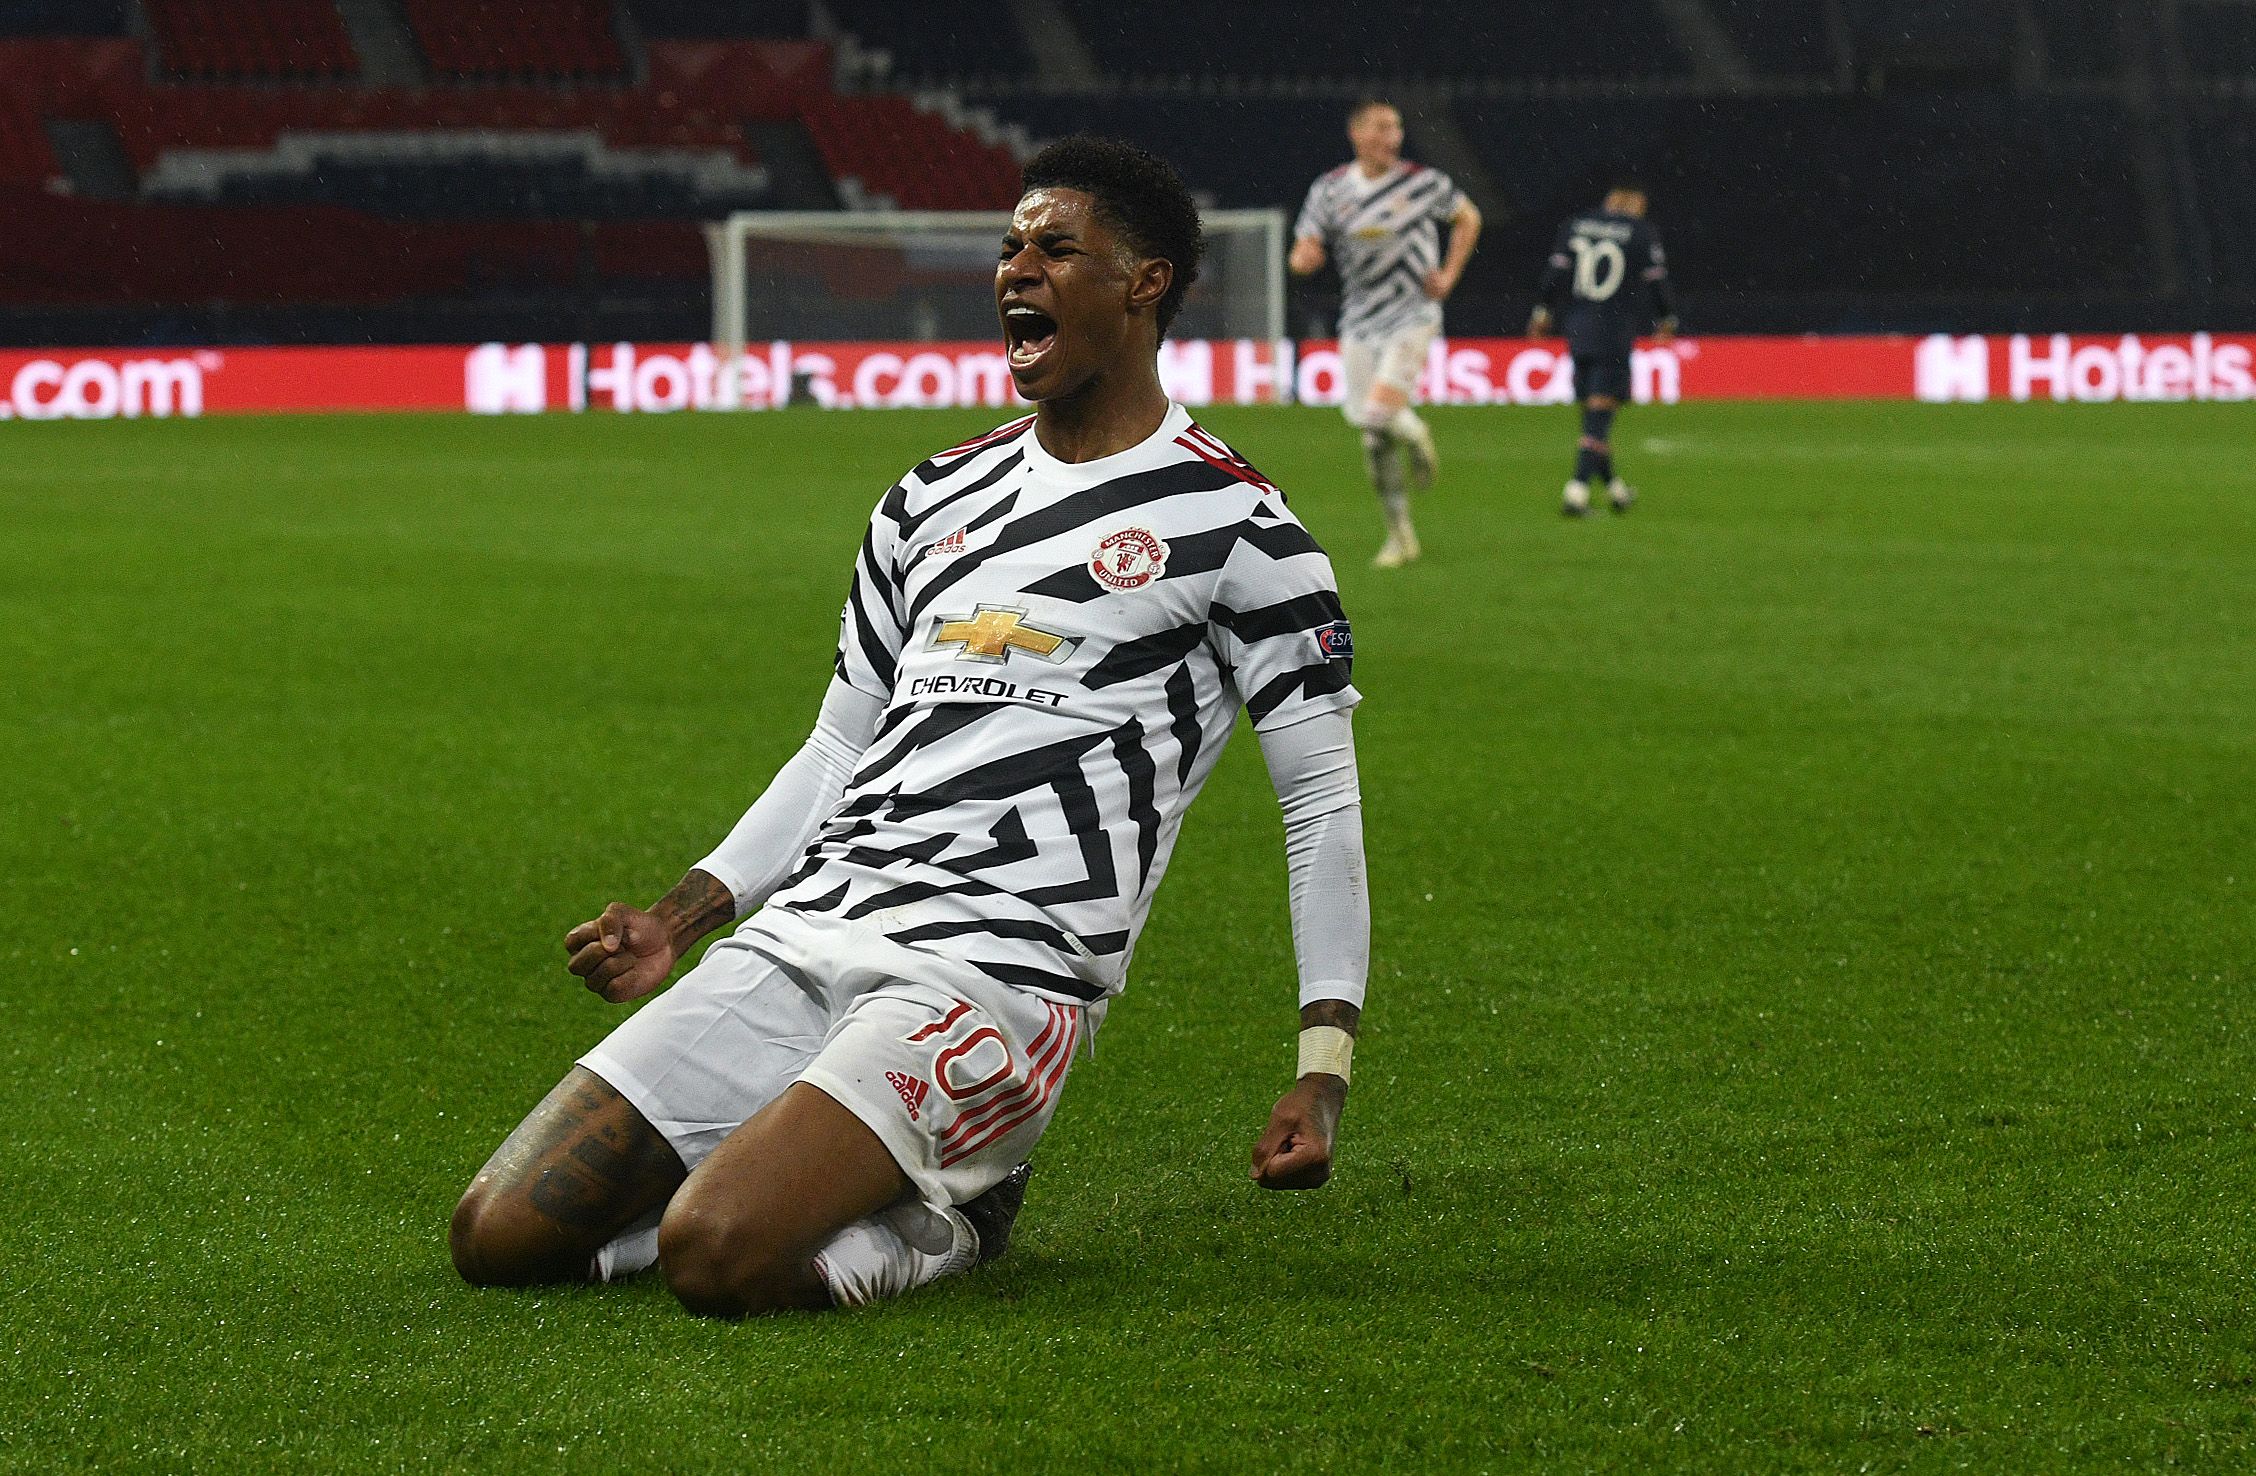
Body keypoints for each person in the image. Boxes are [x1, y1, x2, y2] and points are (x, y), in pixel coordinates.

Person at [448, 136, 1373, 1318]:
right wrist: (683, 915)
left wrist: (1322, 1068)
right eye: (1008, 248)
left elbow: (1320, 807)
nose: (1015, 271)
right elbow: (838, 745)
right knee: (497, 1235)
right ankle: (801, 1170)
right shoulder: (929, 496)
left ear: (1144, 285)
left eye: (1055, 248)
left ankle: (960, 1219)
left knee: (716, 1256)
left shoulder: (1242, 528)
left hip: (996, 970)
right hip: (814, 928)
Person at [1290, 98, 1482, 568]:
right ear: (1357, 134)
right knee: (1372, 437)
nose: (1391, 135)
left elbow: (1468, 217)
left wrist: (1449, 275)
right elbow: (1304, 246)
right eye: (1381, 127)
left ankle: (1416, 433)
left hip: (1412, 316)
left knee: (1378, 413)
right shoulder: (1331, 190)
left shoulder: (1422, 183)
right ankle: (1401, 536)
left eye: (1396, 127)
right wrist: (1303, 261)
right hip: (1358, 322)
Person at [1528, 181, 1678, 516]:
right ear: (1636, 204)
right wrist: (1667, 318)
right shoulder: (1641, 232)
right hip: (1614, 329)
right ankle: (1576, 491)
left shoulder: (1576, 224)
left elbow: (1555, 273)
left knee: (1594, 415)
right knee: (1599, 415)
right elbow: (1656, 280)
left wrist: (1541, 312)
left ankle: (1615, 489)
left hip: (1577, 328)